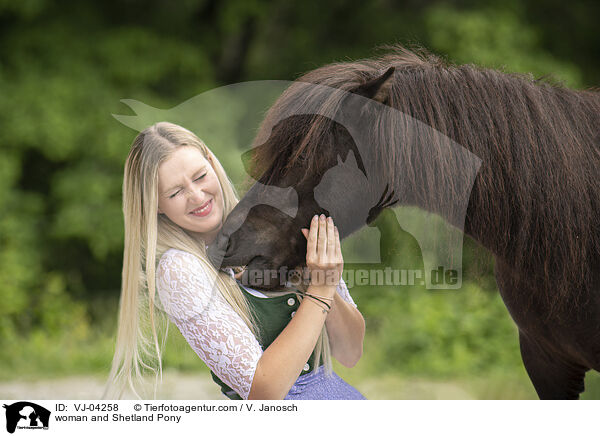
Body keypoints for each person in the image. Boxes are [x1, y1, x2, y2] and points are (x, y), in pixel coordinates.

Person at [102, 121, 366, 400]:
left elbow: (350, 353)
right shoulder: (179, 269)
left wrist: (323, 281)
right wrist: (321, 292)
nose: (197, 196)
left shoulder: (273, 219)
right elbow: (264, 393)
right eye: (175, 192)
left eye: (200, 176)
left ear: (211, 163)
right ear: (155, 204)